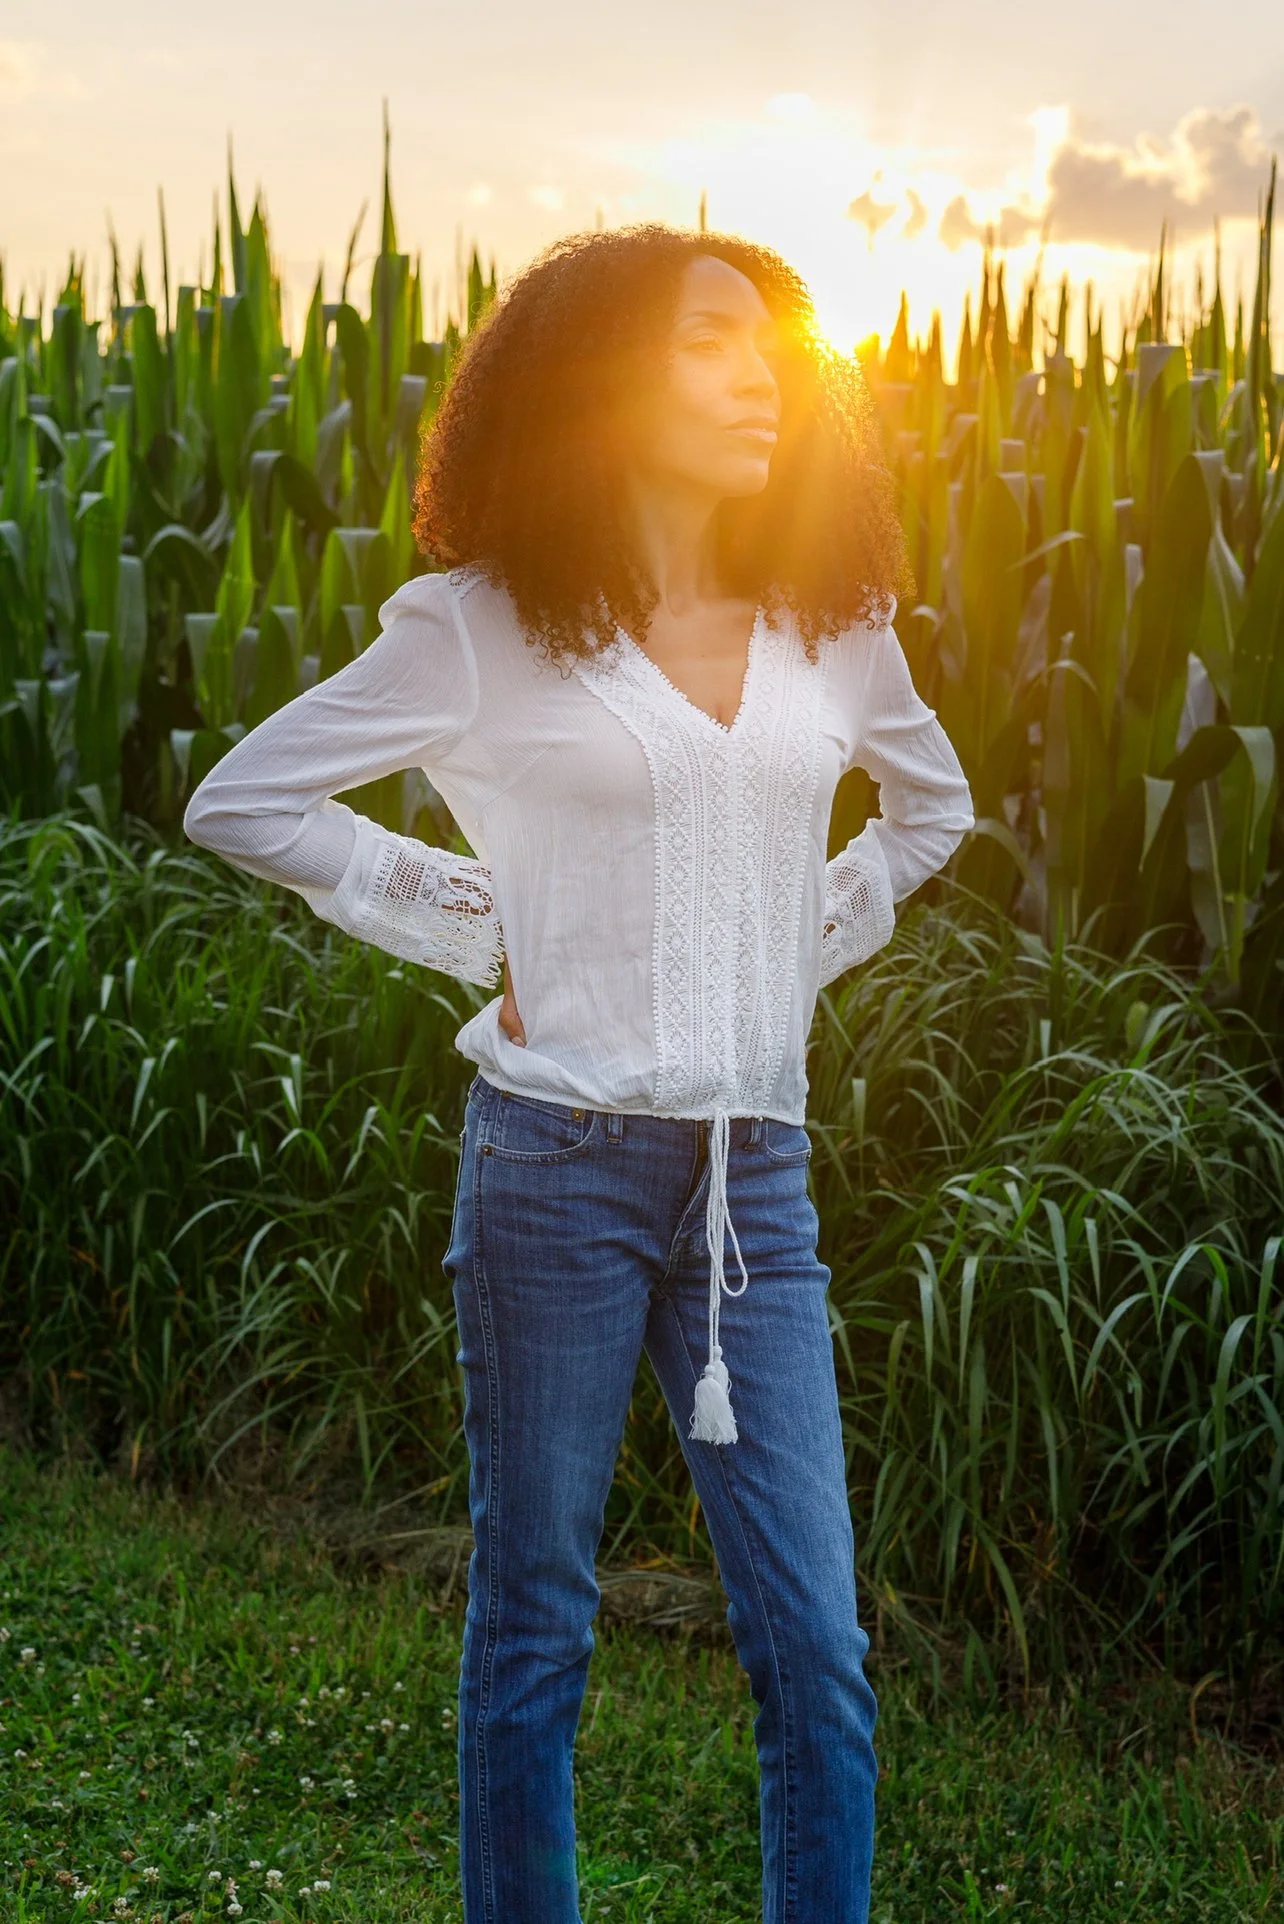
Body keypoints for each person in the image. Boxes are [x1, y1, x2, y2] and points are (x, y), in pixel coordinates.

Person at [184, 221, 974, 1924]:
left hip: (755, 1188)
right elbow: (240, 800)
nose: (759, 374)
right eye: (708, 343)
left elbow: (935, 814)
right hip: (552, 1173)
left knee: (819, 1652)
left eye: (774, 345)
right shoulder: (481, 628)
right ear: (599, 381)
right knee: (537, 1620)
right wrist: (483, 924)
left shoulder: (834, 623)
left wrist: (797, 937)